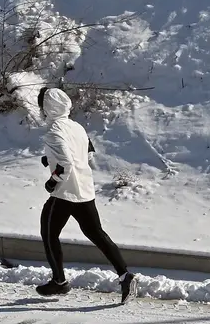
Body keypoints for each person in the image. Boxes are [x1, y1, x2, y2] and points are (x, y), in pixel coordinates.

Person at [35, 86, 135, 304]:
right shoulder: (77, 127)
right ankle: (125, 275)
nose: (41, 109)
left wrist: (52, 182)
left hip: (64, 192)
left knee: (49, 234)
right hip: (85, 189)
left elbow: (65, 163)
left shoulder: (54, 131)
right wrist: (49, 159)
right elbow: (86, 153)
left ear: (47, 107)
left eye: (42, 105)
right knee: (97, 233)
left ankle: (59, 281)